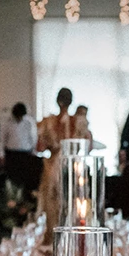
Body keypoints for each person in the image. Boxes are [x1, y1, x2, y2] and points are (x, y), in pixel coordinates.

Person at [35, 88, 92, 222]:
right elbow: (87, 146)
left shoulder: (48, 122)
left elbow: (39, 147)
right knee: (69, 197)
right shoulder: (78, 121)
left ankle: (56, 230)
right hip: (72, 165)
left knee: (57, 198)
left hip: (57, 164)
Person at [2, 102, 40, 191]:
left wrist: (34, 152)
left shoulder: (29, 122)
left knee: (25, 178)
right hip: (12, 154)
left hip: (26, 154)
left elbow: (33, 138)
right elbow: (2, 139)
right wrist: (1, 155)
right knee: (12, 178)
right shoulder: (7, 122)